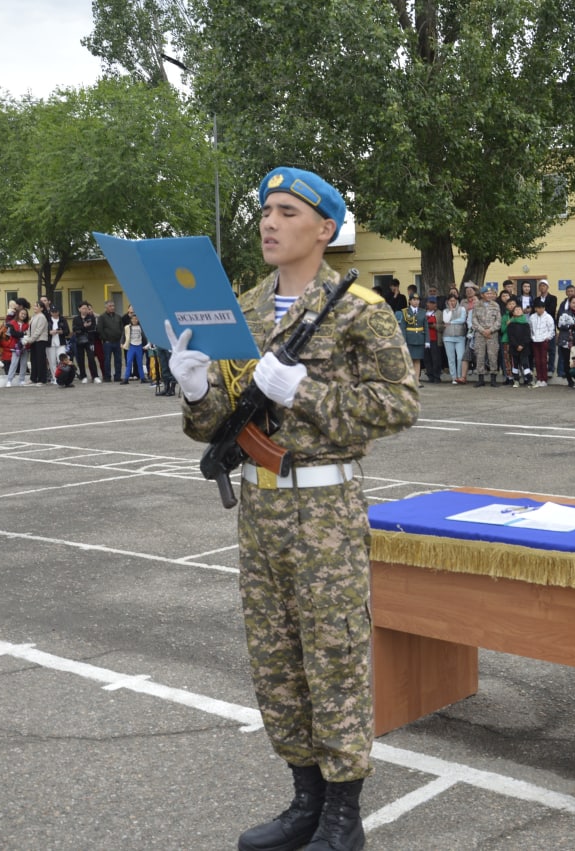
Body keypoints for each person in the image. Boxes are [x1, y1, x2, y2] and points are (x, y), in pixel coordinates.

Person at [169, 166, 418, 851]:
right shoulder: (241, 308)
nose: (268, 222)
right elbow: (217, 422)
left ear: (324, 228)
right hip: (261, 508)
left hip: (327, 508)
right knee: (276, 659)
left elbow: (401, 403)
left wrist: (304, 391)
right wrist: (195, 391)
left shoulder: (360, 307)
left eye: (285, 211)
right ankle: (304, 799)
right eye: (263, 211)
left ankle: (343, 814)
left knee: (334, 656)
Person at [472, 286, 502, 387]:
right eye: (487, 294)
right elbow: (474, 320)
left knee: (493, 356)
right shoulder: (476, 305)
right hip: (480, 334)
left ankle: (493, 379)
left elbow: (498, 320)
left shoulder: (495, 305)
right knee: (479, 356)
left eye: (491, 294)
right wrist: (482, 330)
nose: (489, 295)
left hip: (492, 334)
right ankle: (481, 379)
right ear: (482, 295)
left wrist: (490, 330)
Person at [398, 298, 426, 387]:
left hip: (419, 338)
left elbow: (426, 327)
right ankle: (408, 380)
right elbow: (403, 327)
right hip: (409, 339)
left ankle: (416, 380)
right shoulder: (405, 312)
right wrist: (404, 340)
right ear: (409, 301)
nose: (416, 301)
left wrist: (427, 340)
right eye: (414, 300)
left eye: (418, 300)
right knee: (408, 360)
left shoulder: (422, 311)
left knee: (417, 360)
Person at [441, 293, 468, 384]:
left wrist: (451, 322)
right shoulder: (445, 311)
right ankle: (454, 377)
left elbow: (462, 320)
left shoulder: (462, 309)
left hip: (460, 335)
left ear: (457, 300)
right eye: (450, 300)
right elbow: (445, 320)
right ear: (447, 301)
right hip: (448, 336)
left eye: (454, 300)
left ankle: (460, 376)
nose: (452, 302)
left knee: (460, 357)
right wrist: (451, 311)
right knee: (451, 358)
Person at [71, 302, 100, 383]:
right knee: (80, 359)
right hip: (79, 341)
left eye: (86, 308)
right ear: (79, 309)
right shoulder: (76, 319)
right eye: (83, 308)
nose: (85, 310)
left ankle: (95, 376)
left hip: (89, 341)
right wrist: (83, 326)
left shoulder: (91, 317)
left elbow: (93, 327)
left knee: (91, 358)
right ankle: (83, 376)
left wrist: (82, 328)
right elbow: (75, 329)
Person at [506, 302, 533, 386]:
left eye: (519, 309)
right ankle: (516, 380)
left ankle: (529, 380)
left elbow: (527, 336)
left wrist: (522, 345)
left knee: (525, 364)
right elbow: (511, 336)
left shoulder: (526, 323)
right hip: (514, 348)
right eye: (516, 310)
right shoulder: (511, 324)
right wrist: (516, 345)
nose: (517, 311)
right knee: (515, 364)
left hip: (524, 348)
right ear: (513, 313)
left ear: (522, 312)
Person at [528, 298, 554, 387]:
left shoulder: (548, 317)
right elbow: (530, 329)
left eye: (541, 308)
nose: (540, 310)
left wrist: (547, 338)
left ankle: (544, 379)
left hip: (544, 341)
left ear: (544, 308)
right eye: (538, 308)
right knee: (537, 361)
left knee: (543, 360)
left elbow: (551, 330)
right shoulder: (532, 317)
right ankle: (539, 378)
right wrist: (532, 337)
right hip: (535, 341)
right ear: (535, 308)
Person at [26, 298, 51, 384]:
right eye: (34, 306)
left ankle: (41, 379)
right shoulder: (33, 316)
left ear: (42, 308)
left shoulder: (41, 317)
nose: (35, 307)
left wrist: (30, 339)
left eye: (37, 306)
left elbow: (38, 331)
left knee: (40, 360)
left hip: (40, 340)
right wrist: (28, 337)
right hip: (33, 341)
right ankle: (33, 378)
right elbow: (29, 329)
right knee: (33, 359)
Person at [3, 306, 29, 387]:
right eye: (22, 313)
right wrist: (23, 334)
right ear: (18, 314)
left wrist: (23, 334)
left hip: (25, 346)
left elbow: (29, 333)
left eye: (25, 314)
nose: (23, 315)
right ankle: (9, 380)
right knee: (14, 363)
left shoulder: (27, 324)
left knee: (24, 363)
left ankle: (21, 379)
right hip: (15, 346)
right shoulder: (12, 323)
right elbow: (13, 333)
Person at [121, 311, 149, 383]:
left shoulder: (141, 327)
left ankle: (142, 378)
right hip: (131, 346)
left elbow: (144, 337)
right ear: (131, 320)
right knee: (129, 362)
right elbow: (123, 336)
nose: (134, 320)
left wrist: (145, 344)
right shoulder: (127, 327)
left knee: (139, 363)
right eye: (133, 319)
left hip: (139, 346)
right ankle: (126, 378)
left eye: (136, 319)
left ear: (138, 320)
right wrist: (122, 343)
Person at [423, 295, 443, 383]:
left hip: (435, 339)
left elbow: (443, 326)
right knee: (427, 359)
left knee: (436, 359)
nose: (431, 305)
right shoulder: (423, 313)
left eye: (433, 303)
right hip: (425, 339)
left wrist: (435, 326)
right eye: (429, 303)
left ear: (436, 305)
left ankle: (437, 376)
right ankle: (430, 376)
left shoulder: (439, 313)